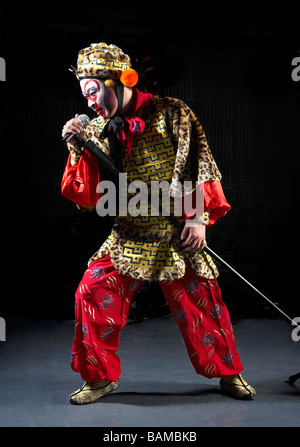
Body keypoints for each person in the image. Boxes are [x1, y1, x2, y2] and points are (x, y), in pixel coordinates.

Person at [61, 42, 256, 404]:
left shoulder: (173, 112)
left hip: (175, 231)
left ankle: (229, 373)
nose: (89, 102)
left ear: (122, 81)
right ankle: (100, 377)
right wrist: (77, 146)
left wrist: (197, 218)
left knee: (204, 302)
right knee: (92, 291)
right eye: (83, 94)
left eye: (93, 92)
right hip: (128, 232)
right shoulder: (99, 128)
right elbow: (87, 196)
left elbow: (200, 162)